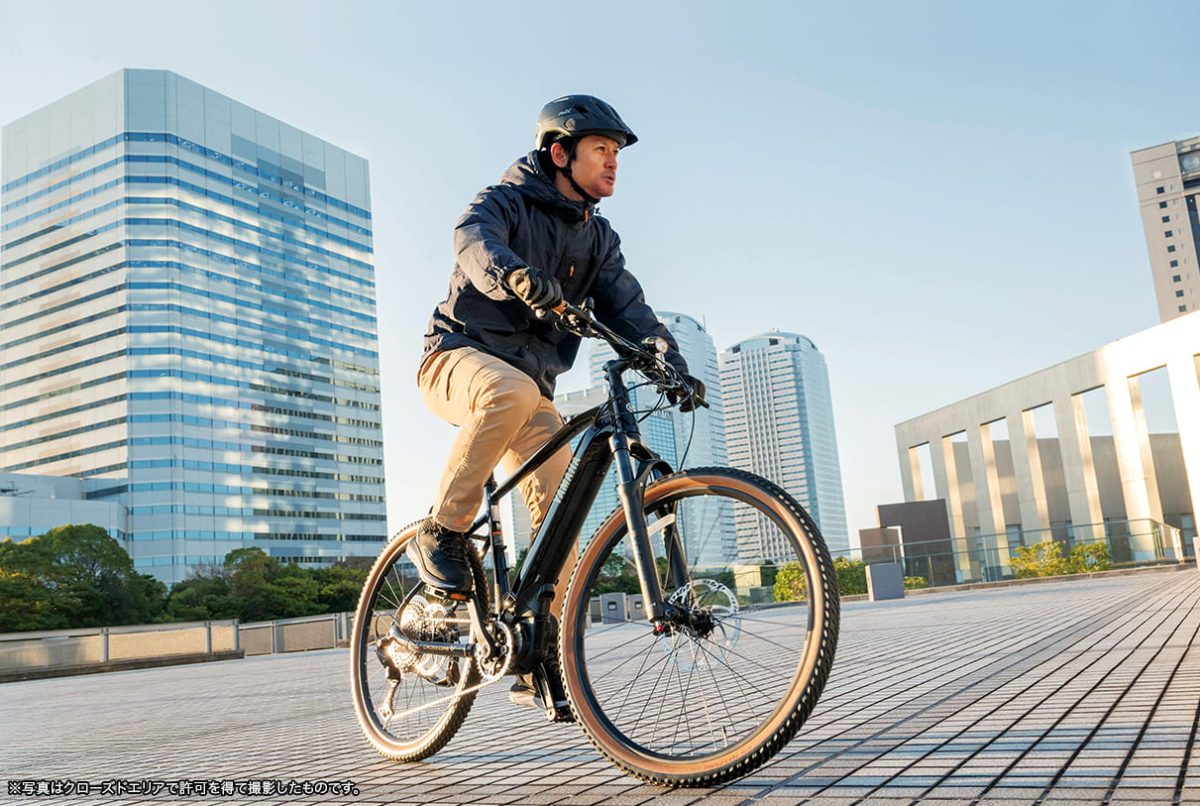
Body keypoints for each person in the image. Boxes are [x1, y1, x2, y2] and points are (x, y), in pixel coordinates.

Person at [410, 94, 704, 713]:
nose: (614, 161)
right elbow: (473, 240)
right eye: (602, 149)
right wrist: (515, 276)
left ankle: (539, 650)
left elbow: (629, 306)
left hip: (529, 391)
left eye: (618, 152)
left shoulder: (598, 239)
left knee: (561, 519)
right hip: (457, 358)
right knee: (507, 391)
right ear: (560, 152)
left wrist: (671, 361)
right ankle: (443, 531)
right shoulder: (504, 201)